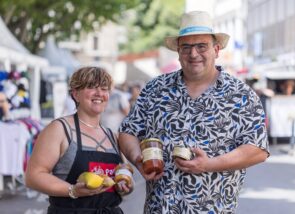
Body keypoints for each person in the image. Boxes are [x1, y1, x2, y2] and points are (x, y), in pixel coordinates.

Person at [119, 11, 269, 213]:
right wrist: (138, 160)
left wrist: (209, 164)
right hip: (159, 208)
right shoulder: (155, 89)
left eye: (201, 46)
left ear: (216, 50)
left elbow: (257, 149)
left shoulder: (241, 95)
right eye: (186, 47)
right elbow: (128, 131)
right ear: (178, 52)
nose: (193, 54)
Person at [25, 66, 133, 214]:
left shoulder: (113, 136)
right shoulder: (60, 129)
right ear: (75, 94)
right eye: (91, 87)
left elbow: (123, 173)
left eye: (104, 88)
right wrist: (72, 190)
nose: (99, 93)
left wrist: (125, 185)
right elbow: (33, 176)